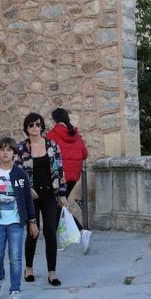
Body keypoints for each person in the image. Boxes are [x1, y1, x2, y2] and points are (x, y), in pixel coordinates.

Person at [0, 137, 38, 299]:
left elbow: (28, 199)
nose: (5, 152)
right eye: (2, 149)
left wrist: (32, 221)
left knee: (15, 257)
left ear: (14, 154)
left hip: (16, 221)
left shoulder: (20, 174)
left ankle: (15, 291)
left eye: (9, 150)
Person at [15, 113, 68, 286]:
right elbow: (16, 173)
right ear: (26, 128)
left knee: (50, 232)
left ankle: (52, 272)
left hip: (49, 195)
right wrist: (26, 189)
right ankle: (28, 268)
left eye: (37, 124)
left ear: (42, 126)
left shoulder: (52, 145)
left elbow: (59, 170)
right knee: (32, 233)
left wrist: (62, 194)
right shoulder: (21, 148)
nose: (34, 127)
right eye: (30, 125)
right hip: (30, 196)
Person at [46, 107, 92, 254]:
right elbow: (84, 154)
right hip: (73, 176)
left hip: (59, 177)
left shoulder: (52, 135)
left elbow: (47, 155)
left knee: (58, 206)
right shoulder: (75, 134)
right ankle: (63, 239)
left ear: (54, 120)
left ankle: (81, 232)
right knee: (59, 206)